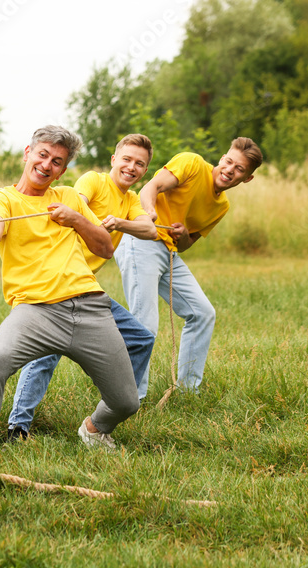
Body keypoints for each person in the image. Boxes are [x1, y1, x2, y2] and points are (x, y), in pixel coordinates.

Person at [0, 125, 140, 463]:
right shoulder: (4, 198)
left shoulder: (69, 198)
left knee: (126, 402)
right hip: (35, 311)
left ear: (64, 169)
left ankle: (93, 428)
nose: (47, 165)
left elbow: (104, 247)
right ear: (27, 154)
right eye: (42, 155)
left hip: (90, 307)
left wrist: (76, 219)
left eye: (57, 162)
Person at [6, 134, 158, 439]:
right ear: (115, 160)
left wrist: (120, 222)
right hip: (54, 283)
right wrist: (84, 218)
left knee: (141, 338)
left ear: (145, 171)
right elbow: (75, 202)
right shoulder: (93, 181)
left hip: (89, 292)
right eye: (126, 159)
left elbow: (150, 230)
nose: (131, 167)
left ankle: (114, 404)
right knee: (47, 353)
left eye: (139, 164)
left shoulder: (130, 201)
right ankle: (18, 426)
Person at [117, 137, 263, 396]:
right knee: (144, 324)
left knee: (202, 312)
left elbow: (186, 244)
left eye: (239, 169)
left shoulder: (222, 206)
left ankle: (187, 391)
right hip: (141, 242)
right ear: (222, 158)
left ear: (247, 178)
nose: (230, 170)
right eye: (229, 162)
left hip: (169, 253)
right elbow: (150, 187)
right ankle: (129, 398)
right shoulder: (192, 164)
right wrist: (149, 213)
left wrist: (183, 235)